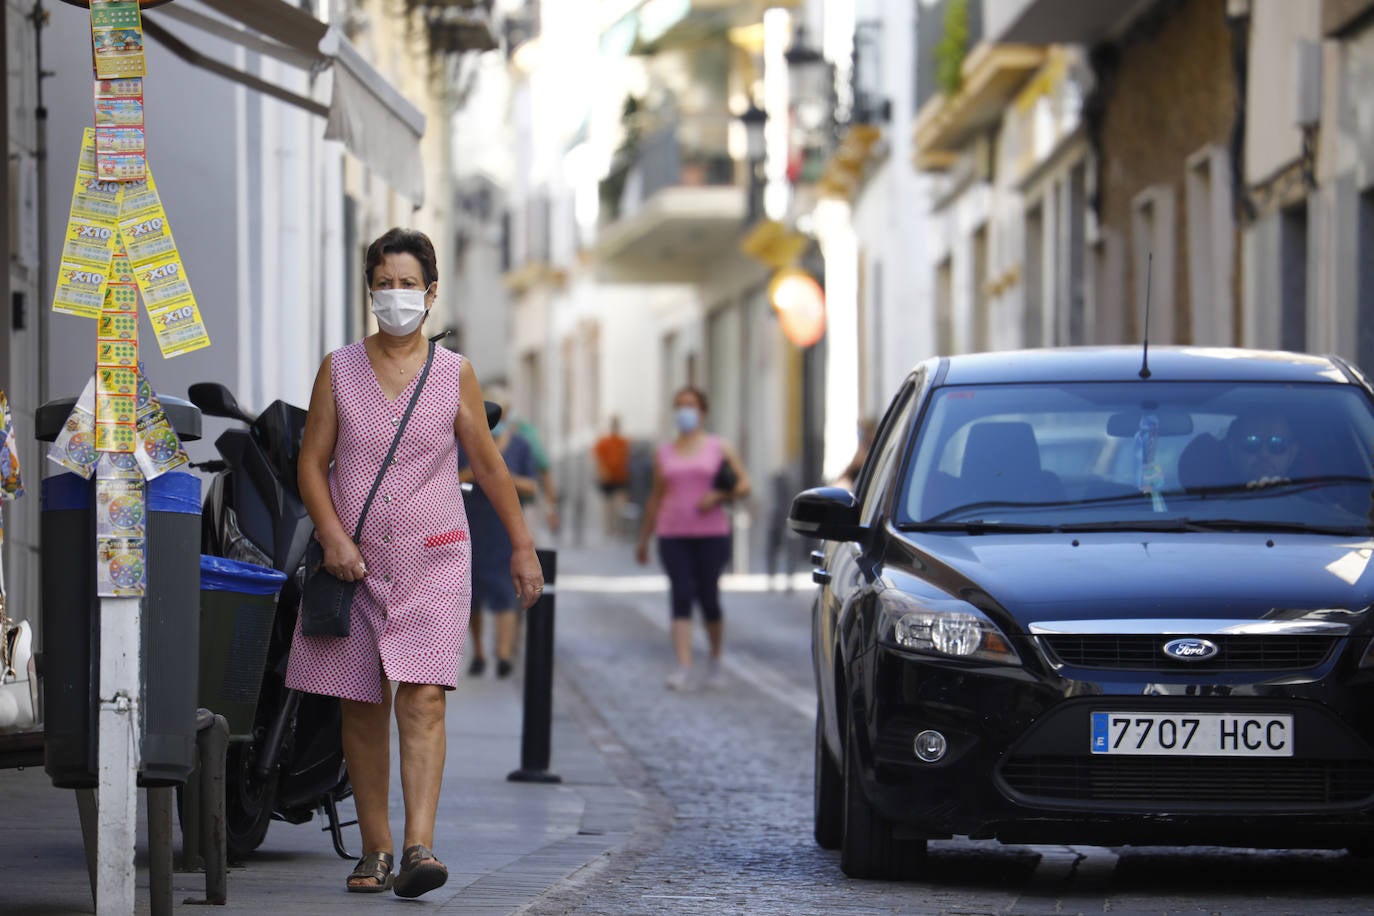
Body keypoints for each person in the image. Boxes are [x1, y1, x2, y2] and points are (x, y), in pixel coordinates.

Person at [286, 227, 543, 898]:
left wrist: (520, 544)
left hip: (435, 560)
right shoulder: (339, 369)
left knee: (424, 699)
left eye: (408, 284)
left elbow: (486, 463)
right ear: (369, 289)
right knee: (362, 705)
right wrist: (333, 537)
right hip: (355, 565)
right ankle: (374, 850)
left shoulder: (453, 372)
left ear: (430, 294)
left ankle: (418, 847)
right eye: (384, 282)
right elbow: (311, 464)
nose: (395, 295)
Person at [635, 386, 750, 691]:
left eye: (690, 405)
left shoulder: (718, 447)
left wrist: (718, 495)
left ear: (702, 412)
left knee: (709, 598)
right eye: (679, 406)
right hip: (672, 533)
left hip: (712, 534)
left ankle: (715, 658)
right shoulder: (664, 453)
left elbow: (744, 485)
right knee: (681, 594)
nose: (684, 412)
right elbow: (656, 497)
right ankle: (683, 665)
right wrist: (644, 539)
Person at [460, 398, 539, 679]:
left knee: (506, 592)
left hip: (504, 528)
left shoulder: (521, 446)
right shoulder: (463, 441)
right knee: (473, 597)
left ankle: (503, 654)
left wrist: (500, 475)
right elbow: (450, 478)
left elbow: (532, 484)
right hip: (471, 526)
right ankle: (479, 652)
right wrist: (476, 470)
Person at [1224, 409, 1302, 489]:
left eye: (1277, 444)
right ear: (1232, 449)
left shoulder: (1310, 498)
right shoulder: (1212, 494)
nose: (1264, 454)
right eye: (1251, 443)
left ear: (1292, 453)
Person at [592, 416, 631, 537]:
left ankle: (617, 528)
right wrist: (601, 472)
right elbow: (598, 459)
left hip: (620, 478)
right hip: (607, 479)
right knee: (608, 505)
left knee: (619, 505)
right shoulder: (603, 441)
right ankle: (609, 529)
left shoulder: (624, 442)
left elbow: (628, 459)